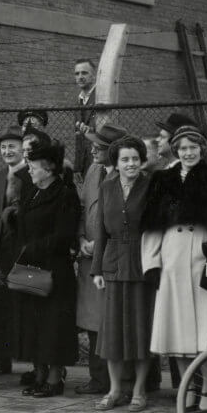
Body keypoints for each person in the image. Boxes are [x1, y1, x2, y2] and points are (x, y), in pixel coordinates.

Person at [141, 124, 207, 413]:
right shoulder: (162, 180)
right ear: (175, 150)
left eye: (193, 147)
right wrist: (152, 263)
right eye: (182, 148)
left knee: (204, 331)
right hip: (172, 256)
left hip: (203, 256)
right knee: (178, 330)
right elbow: (152, 227)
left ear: (202, 149)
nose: (188, 153)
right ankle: (188, 388)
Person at [14, 139, 82, 399]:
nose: (29, 170)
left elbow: (64, 235)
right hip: (30, 267)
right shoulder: (31, 193)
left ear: (50, 168)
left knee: (53, 325)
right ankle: (39, 374)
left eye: (33, 165)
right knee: (33, 322)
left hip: (54, 269)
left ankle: (55, 379)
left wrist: (31, 248)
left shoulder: (64, 194)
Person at [92, 136, 154, 412]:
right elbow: (101, 230)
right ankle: (115, 389)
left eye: (135, 159)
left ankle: (140, 391)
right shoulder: (106, 187)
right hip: (113, 265)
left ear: (142, 161)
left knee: (141, 330)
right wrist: (97, 269)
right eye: (125, 159)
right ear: (116, 163)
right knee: (113, 332)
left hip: (143, 265)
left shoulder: (152, 185)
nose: (130, 164)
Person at [75, 124, 128, 396]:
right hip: (89, 258)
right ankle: (98, 380)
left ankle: (122, 382)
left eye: (100, 146)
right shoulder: (94, 170)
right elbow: (83, 207)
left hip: (114, 258)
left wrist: (100, 244)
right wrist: (82, 239)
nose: (93, 149)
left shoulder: (126, 173)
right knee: (94, 320)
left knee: (117, 319)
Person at [0, 124, 30, 377]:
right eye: (3, 147)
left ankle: (31, 363)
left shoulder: (31, 174)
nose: (7, 151)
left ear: (23, 150)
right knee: (0, 307)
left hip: (25, 251)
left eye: (12, 147)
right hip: (1, 252)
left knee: (25, 306)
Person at [71, 58, 98, 178]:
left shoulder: (101, 97)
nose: (80, 77)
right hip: (83, 164)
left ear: (93, 76)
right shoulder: (78, 100)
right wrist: (77, 167)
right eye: (77, 73)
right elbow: (78, 136)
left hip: (98, 160)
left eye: (84, 73)